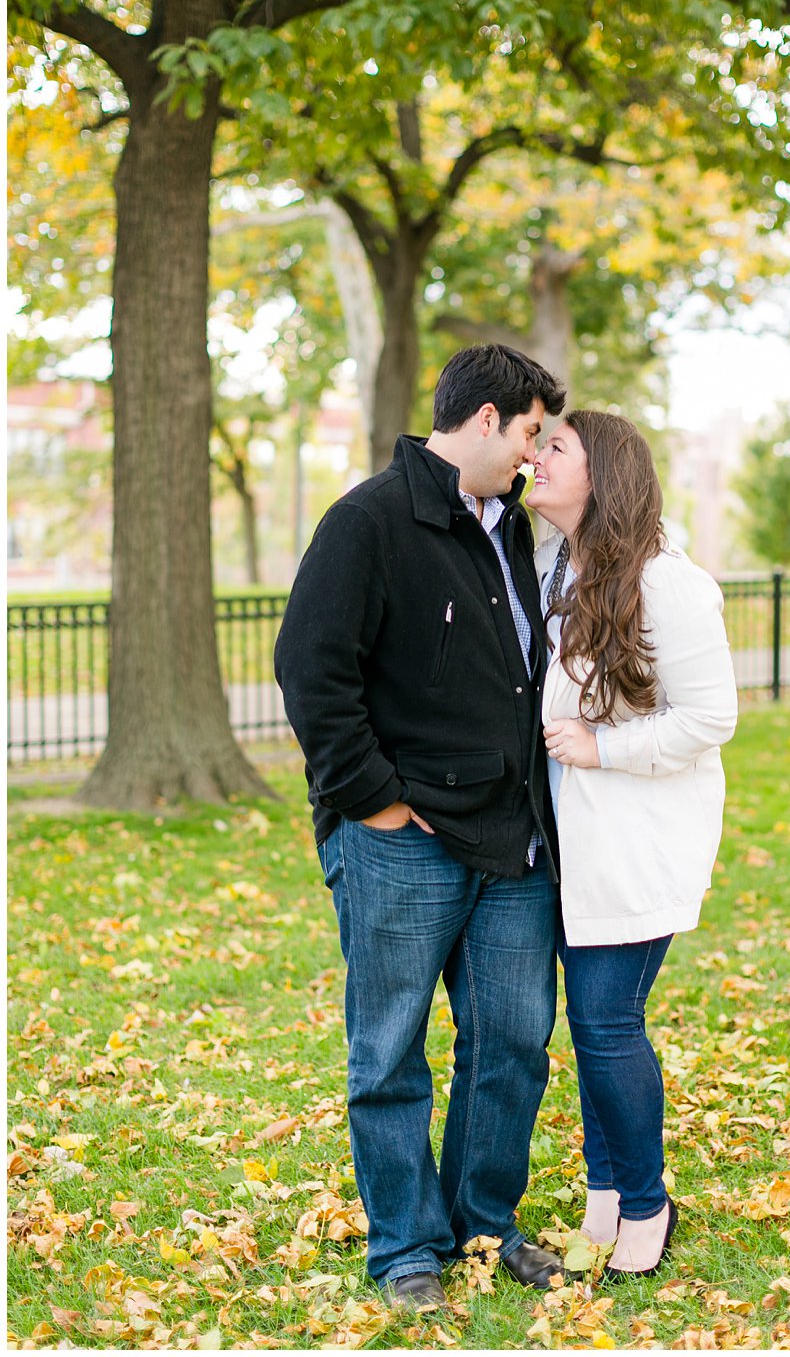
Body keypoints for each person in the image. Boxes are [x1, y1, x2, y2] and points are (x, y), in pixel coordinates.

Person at [275, 343, 570, 1309]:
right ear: (485, 419)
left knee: (515, 1041)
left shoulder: (513, 532)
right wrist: (374, 802)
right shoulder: (367, 521)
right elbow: (312, 671)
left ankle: (484, 1224)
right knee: (390, 1050)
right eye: (531, 431)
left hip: (513, 839)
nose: (535, 453)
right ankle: (406, 1248)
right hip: (404, 841)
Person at [524, 410, 738, 1282]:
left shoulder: (668, 582)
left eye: (556, 447)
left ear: (602, 475)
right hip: (580, 835)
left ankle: (646, 1205)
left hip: (641, 837)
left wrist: (602, 746)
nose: (535, 457)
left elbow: (712, 717)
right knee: (594, 1024)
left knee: (608, 1024)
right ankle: (604, 1201)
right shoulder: (557, 569)